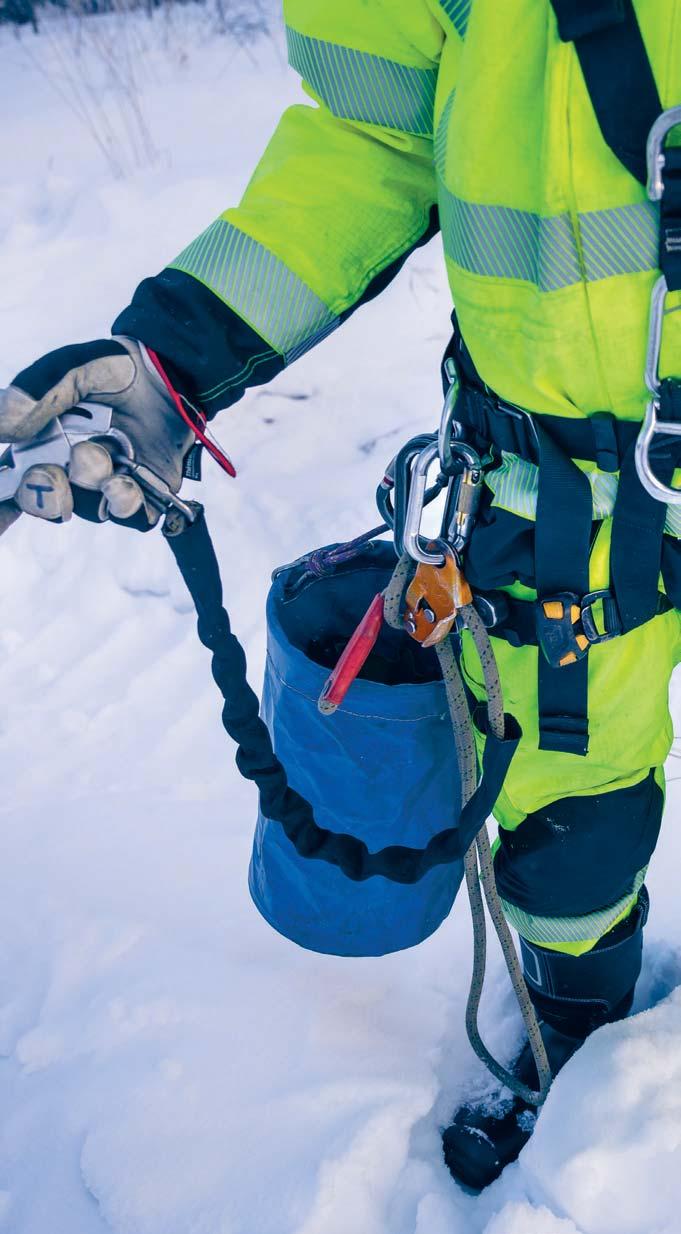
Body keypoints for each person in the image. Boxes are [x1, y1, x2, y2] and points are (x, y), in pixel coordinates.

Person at [1, 0, 680, 1192]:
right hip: (563, 502)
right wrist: (178, 356)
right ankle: (577, 1043)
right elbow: (375, 136)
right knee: (569, 816)